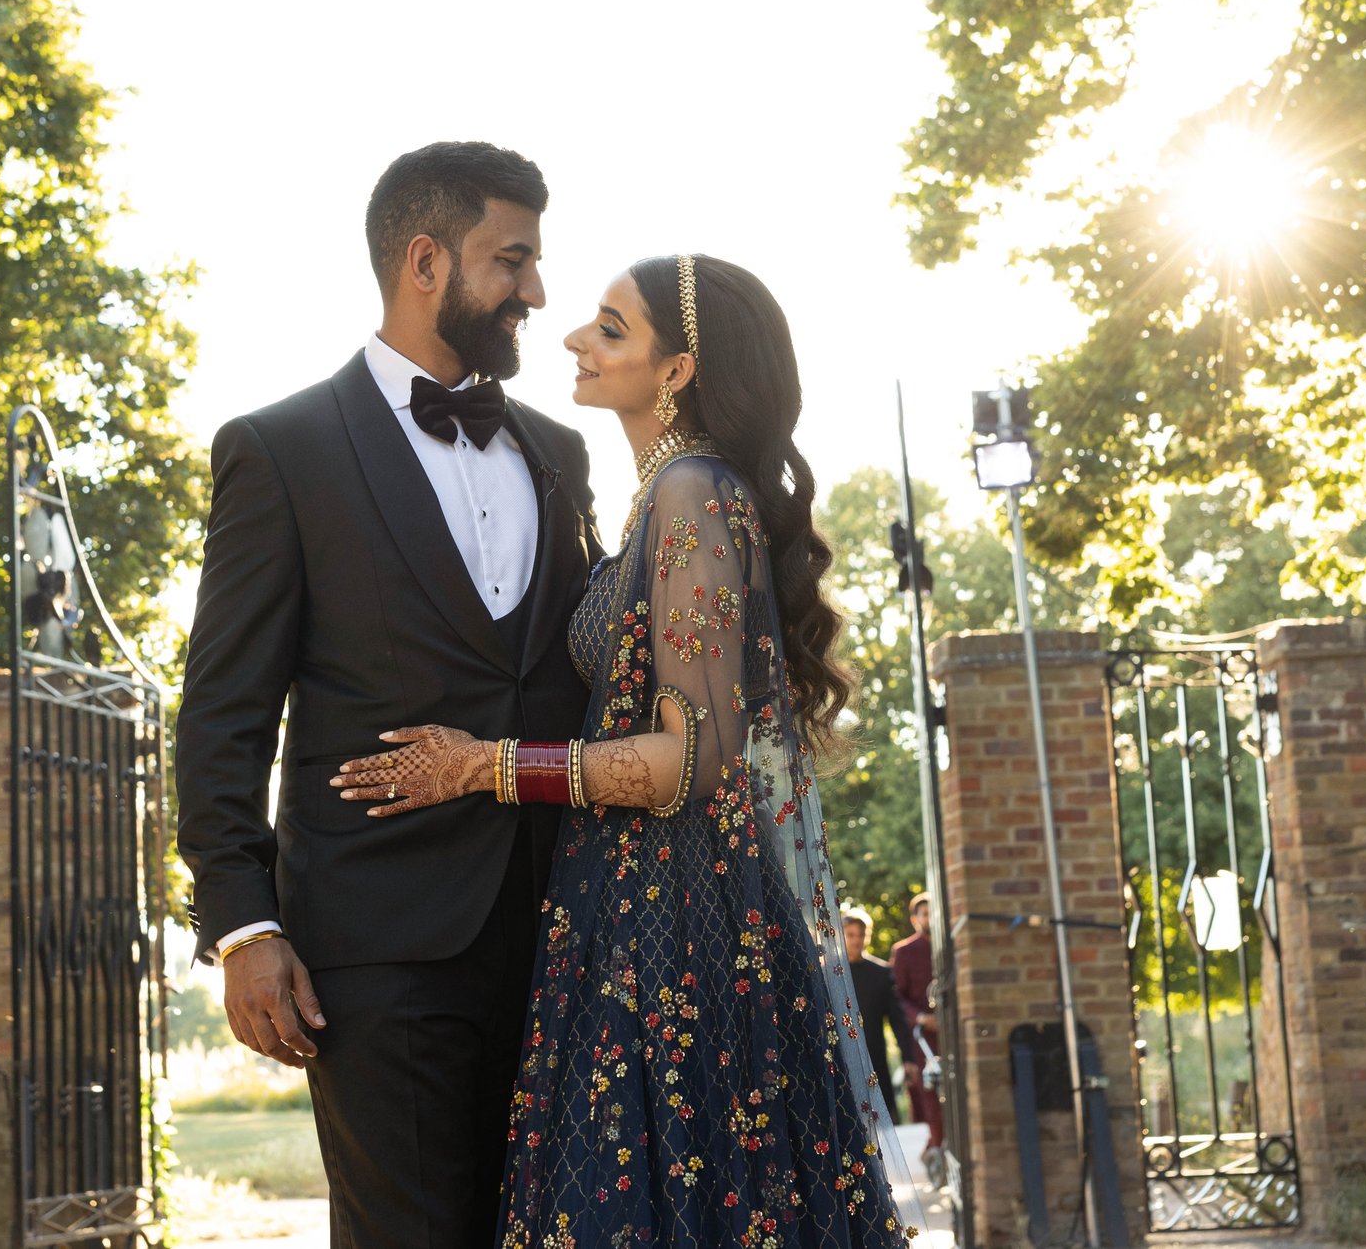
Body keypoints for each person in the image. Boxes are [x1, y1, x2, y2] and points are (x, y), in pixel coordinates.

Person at [332, 254, 923, 1246]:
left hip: (681, 933)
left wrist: (479, 763)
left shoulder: (694, 491)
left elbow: (689, 759)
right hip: (633, 908)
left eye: (610, 327)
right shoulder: (663, 496)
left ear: (678, 369)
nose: (573, 336)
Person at [173, 143, 601, 1249]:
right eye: (512, 259)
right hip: (376, 941)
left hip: (564, 927)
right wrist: (243, 923)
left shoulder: (557, 452)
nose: (536, 291)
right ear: (425, 259)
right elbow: (224, 709)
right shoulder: (281, 449)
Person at [841, 908, 924, 1125]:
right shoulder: (828, 974)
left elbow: (897, 1020)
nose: (857, 940)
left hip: (875, 1058)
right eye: (850, 934)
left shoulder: (881, 973)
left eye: (861, 934)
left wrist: (907, 1058)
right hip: (840, 1058)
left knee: (883, 1125)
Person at [889, 892, 947, 1156]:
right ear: (915, 919)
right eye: (925, 913)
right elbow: (897, 996)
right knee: (930, 1096)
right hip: (923, 1036)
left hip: (951, 1032)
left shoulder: (950, 946)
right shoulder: (904, 951)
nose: (930, 917)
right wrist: (921, 1018)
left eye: (933, 912)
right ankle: (935, 1149)